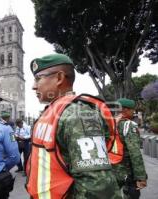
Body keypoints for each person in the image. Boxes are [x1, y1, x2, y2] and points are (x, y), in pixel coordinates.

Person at [26, 53, 122, 198]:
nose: (34, 86)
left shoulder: (78, 114)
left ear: (59, 78)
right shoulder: (54, 111)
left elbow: (96, 185)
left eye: (38, 78)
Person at [113, 98, 147, 199]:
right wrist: (141, 177)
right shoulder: (128, 125)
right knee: (131, 195)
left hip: (111, 168)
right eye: (133, 110)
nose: (134, 112)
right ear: (126, 110)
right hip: (126, 170)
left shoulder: (111, 123)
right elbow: (135, 153)